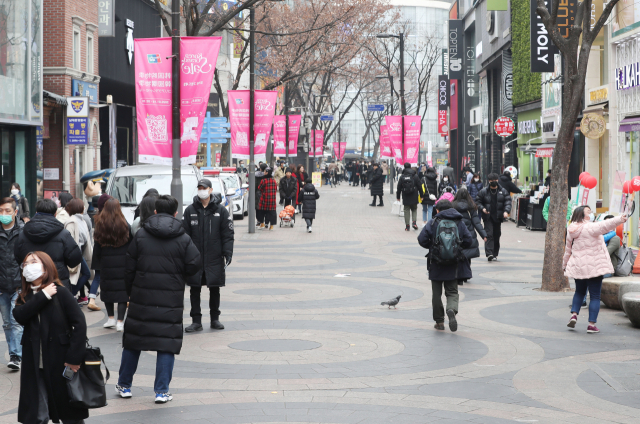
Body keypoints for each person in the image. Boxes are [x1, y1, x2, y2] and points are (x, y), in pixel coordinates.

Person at [117, 195, 201, 403]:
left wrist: (130, 291)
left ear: (155, 211)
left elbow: (129, 267)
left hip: (141, 297)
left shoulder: (142, 234)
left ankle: (124, 385)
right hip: (170, 299)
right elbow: (195, 263)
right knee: (166, 343)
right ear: (175, 213)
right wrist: (182, 276)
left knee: (133, 341)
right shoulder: (183, 237)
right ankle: (161, 391)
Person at [13, 251, 88, 424]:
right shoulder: (25, 296)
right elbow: (19, 315)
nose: (28, 266)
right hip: (35, 363)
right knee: (36, 413)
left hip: (60, 361)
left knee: (69, 413)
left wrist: (74, 358)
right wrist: (43, 295)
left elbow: (80, 324)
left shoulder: (61, 293)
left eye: (33, 261)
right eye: (26, 264)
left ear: (46, 268)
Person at [563, 206, 626, 333]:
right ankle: (591, 325)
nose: (591, 213)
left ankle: (574, 314)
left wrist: (564, 265)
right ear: (582, 214)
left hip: (578, 266)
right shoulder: (591, 227)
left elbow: (567, 250)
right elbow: (606, 224)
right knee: (595, 296)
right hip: (594, 267)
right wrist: (620, 219)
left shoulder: (571, 229)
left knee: (579, 292)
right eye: (588, 211)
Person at [183, 178, 235, 332]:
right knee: (194, 288)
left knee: (214, 288)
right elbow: (185, 235)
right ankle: (196, 321)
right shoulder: (190, 210)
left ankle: (215, 319)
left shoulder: (221, 211)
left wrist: (228, 252)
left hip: (214, 257)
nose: (202, 190)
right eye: (199, 188)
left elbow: (227, 234)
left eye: (204, 188)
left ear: (210, 190)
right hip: (195, 257)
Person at [417, 200, 473, 332]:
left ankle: (439, 321)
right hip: (453, 263)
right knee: (452, 291)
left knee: (436, 294)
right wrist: (457, 248)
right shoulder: (459, 222)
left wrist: (432, 247)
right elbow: (469, 240)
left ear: (438, 210)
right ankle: (451, 309)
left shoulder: (433, 222)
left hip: (436, 262)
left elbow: (421, 239)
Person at [14, 199, 82, 290]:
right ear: (55, 214)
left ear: (36, 212)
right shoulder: (63, 234)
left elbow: (18, 258)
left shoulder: (23, 234)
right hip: (57, 284)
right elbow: (75, 259)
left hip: (31, 285)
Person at [93, 198, 131, 332]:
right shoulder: (125, 224)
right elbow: (130, 243)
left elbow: (96, 245)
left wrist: (97, 262)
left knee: (107, 289)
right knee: (122, 292)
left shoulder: (100, 224)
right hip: (122, 262)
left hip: (106, 261)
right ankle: (120, 321)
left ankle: (110, 318)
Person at [0, 197, 24, 370]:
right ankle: (13, 352)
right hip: (1, 285)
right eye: (1, 211)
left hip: (18, 284)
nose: (4, 214)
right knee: (7, 323)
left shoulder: (23, 232)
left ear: (15, 212)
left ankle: (16, 356)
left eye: (7, 211)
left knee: (16, 322)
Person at [453, 188, 488, 285]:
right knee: (467, 255)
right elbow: (476, 223)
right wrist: (484, 235)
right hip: (468, 234)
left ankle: (459, 276)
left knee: (458, 255)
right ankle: (466, 275)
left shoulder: (453, 206)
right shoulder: (471, 207)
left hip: (456, 233)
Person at [476, 173, 512, 261]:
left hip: (498, 217)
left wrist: (506, 211)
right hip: (488, 216)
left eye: (495, 181)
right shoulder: (483, 191)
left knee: (496, 235)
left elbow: (508, 201)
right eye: (492, 181)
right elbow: (478, 202)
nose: (494, 183)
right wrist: (482, 208)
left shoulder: (503, 191)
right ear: (489, 181)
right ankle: (489, 254)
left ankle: (495, 253)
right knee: (489, 234)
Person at [62, 199, 92, 303]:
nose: (84, 208)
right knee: (86, 274)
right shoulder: (72, 221)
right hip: (74, 253)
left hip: (79, 253)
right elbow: (68, 239)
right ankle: (72, 294)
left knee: (84, 274)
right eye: (83, 206)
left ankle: (73, 294)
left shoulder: (82, 220)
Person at [396, 163, 423, 231]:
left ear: (404, 168)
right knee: (414, 209)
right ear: (410, 167)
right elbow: (420, 186)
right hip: (414, 195)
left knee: (406, 210)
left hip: (405, 196)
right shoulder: (415, 176)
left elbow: (399, 187)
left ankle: (407, 226)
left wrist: (398, 196)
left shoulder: (402, 176)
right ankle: (414, 223)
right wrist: (421, 195)